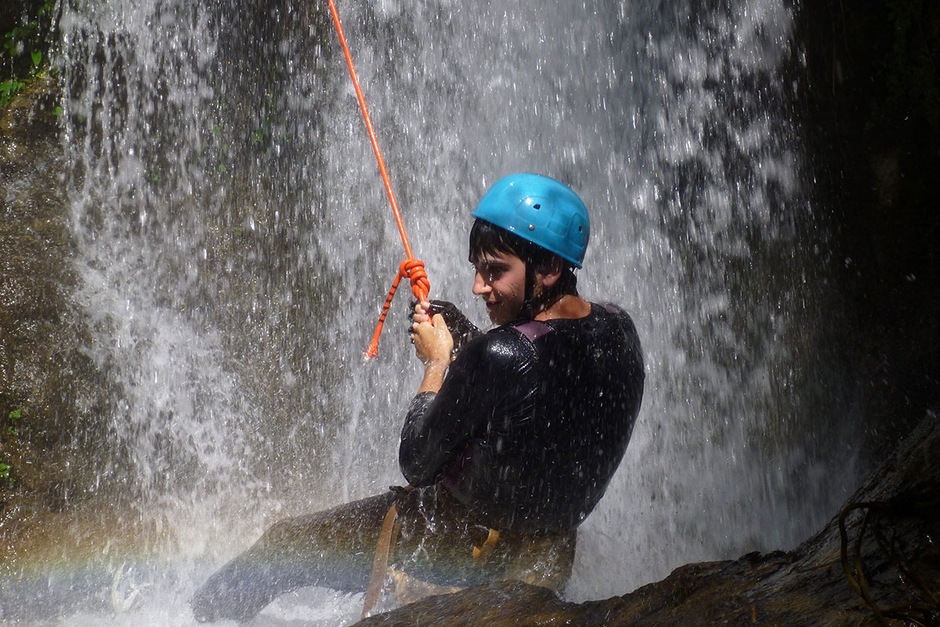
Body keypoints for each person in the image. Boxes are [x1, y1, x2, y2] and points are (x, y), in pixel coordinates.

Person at [190, 173, 645, 622]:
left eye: (495, 271)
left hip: (456, 541)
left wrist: (437, 362)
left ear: (548, 269)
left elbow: (416, 461)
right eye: (477, 268)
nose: (479, 286)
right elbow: (537, 399)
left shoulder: (501, 355)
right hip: (548, 549)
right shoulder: (618, 329)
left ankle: (194, 618)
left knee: (284, 545)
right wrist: (468, 339)